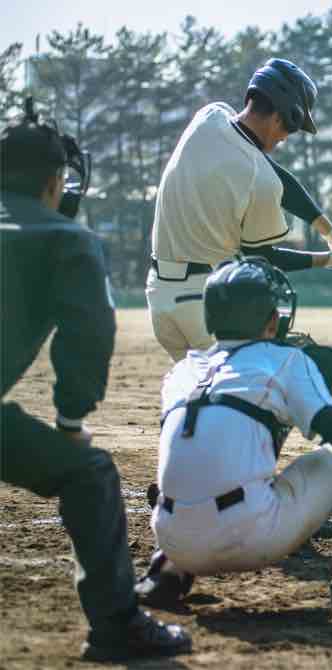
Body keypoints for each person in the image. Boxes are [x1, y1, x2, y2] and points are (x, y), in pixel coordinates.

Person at [135, 257, 332, 617]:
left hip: (173, 537)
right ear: (274, 319)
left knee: (203, 458)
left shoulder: (182, 370)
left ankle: (165, 574)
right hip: (247, 535)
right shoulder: (285, 360)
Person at [0, 100, 192, 662]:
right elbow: (87, 330)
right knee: (89, 474)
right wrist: (69, 420)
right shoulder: (64, 238)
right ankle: (116, 626)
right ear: (56, 182)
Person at [148, 58, 332, 361]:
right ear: (280, 118)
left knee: (196, 392)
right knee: (290, 370)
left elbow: (276, 177)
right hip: (204, 301)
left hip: (159, 297)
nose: (285, 138)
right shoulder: (260, 180)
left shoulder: (209, 117)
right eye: (290, 128)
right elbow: (264, 257)